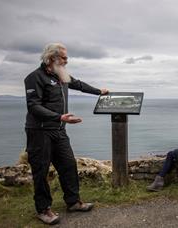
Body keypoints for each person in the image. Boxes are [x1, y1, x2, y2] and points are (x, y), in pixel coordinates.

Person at [24, 43, 109, 225]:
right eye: (63, 57)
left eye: (66, 57)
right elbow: (33, 106)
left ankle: (73, 202)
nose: (66, 61)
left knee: (68, 165)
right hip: (39, 131)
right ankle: (43, 209)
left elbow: (77, 84)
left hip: (59, 130)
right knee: (41, 170)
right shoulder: (34, 78)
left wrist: (99, 92)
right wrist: (59, 116)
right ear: (51, 58)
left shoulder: (60, 75)